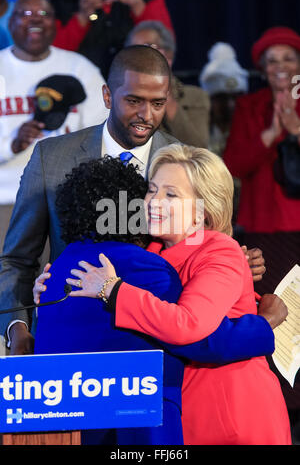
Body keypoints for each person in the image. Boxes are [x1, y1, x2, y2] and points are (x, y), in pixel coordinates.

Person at [1, 44, 270, 360]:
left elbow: (204, 246)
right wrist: (17, 329)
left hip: (157, 347)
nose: (146, 115)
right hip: (71, 339)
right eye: (134, 101)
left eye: (158, 103)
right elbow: (17, 260)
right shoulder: (52, 157)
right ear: (107, 96)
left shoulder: (183, 160)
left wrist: (234, 260)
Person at [32, 155, 276, 445]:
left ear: (200, 212)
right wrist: (43, 296)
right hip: (181, 416)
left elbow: (191, 328)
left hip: (230, 416)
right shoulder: (151, 252)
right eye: (151, 189)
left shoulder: (216, 250)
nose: (153, 201)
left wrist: (265, 323)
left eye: (170, 194)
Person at [223, 25, 300, 446]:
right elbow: (231, 163)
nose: (281, 67)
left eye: (288, 59)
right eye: (272, 61)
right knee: (278, 319)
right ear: (262, 69)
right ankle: (282, 406)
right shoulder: (250, 106)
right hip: (266, 229)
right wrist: (272, 133)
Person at [0, 0, 108, 250]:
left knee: (59, 284)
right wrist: (11, 144)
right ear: (10, 23)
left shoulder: (79, 68)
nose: (35, 19)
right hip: (5, 199)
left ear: (55, 24)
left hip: (65, 199)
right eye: (26, 14)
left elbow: (102, 131)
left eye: (44, 14)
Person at [125, 20, 210, 147]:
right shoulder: (122, 97)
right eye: (134, 50)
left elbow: (198, 149)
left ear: (168, 55)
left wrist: (163, 93)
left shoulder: (195, 97)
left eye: (149, 47)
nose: (141, 56)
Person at [51, 0, 174, 79]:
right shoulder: (64, 1)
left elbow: (165, 49)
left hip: (135, 83)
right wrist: (83, 16)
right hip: (82, 85)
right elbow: (54, 55)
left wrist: (138, 7)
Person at [200, 42, 248, 227]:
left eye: (236, 97)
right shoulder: (199, 132)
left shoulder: (251, 130)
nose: (230, 105)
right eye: (221, 98)